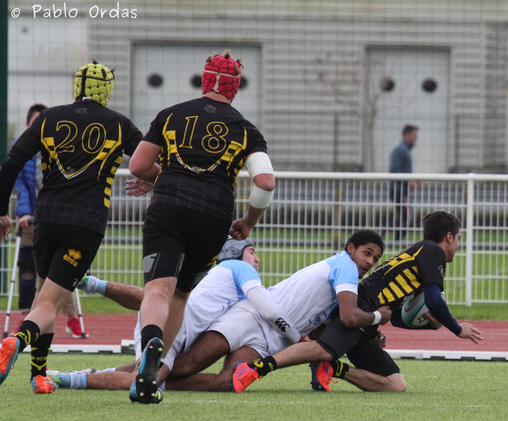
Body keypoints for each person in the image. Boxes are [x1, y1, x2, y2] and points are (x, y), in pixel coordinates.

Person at [52, 230, 389, 398]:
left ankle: (120, 371)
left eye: (375, 258)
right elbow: (268, 308)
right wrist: (376, 317)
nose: (257, 259)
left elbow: (319, 322)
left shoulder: (233, 281)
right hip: (239, 321)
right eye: (253, 252)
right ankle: (73, 379)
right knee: (163, 372)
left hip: (261, 335)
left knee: (227, 382)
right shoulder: (240, 271)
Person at [125, 50, 277, 404]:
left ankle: (149, 346)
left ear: (205, 80)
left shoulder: (171, 114)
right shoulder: (246, 130)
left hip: (167, 209)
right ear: (235, 88)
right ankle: (156, 370)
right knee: (180, 294)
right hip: (213, 217)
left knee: (158, 290)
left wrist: (164, 179)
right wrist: (247, 222)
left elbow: (138, 166)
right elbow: (265, 183)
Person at [0, 61, 150, 394]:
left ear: (76, 86)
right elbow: (149, 161)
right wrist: (150, 181)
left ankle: (38, 375)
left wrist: (1, 213)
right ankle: (16, 341)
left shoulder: (48, 118)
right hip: (85, 224)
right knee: (49, 302)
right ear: (107, 90)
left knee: (46, 294)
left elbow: (11, 163)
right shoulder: (119, 124)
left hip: (46, 220)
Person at [233, 210, 483, 393]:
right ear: (449, 236)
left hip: (369, 321)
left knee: (396, 385)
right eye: (459, 238)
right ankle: (255, 369)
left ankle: (333, 369)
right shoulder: (432, 250)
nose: (458, 245)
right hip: (361, 307)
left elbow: (397, 317)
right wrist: (457, 329)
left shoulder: (421, 254)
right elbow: (434, 300)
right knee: (323, 349)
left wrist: (430, 323)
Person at [13, 103, 87, 338]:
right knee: (28, 269)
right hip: (33, 219)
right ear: (28, 125)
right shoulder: (23, 151)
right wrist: (24, 213)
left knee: (62, 269)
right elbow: (21, 187)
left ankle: (71, 317)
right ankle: (27, 317)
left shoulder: (63, 147)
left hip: (58, 217)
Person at [388, 124, 418, 241]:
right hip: (398, 190)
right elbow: (394, 169)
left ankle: (396, 241)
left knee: (404, 217)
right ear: (407, 134)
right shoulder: (400, 150)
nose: (416, 138)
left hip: (401, 189)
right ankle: (383, 233)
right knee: (407, 217)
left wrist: (412, 179)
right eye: (414, 135)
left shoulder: (404, 150)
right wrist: (408, 181)